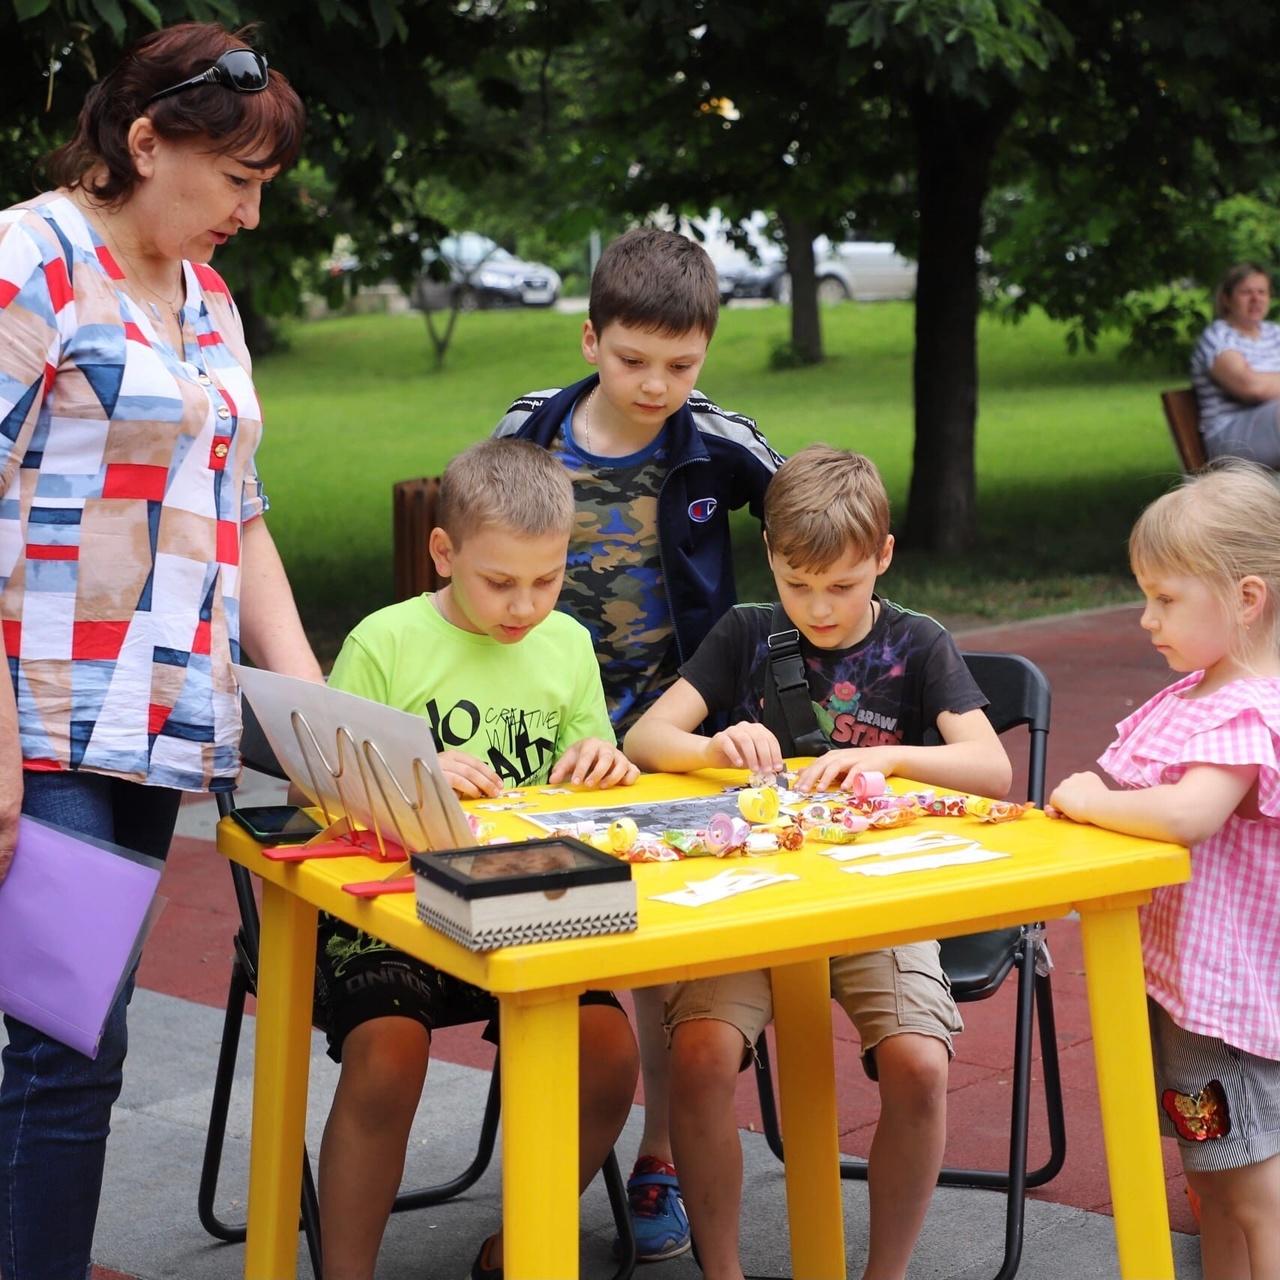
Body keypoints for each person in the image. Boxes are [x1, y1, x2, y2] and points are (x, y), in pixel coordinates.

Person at [0, 24, 320, 1280]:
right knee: (66, 1042)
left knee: (71, 1037)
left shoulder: (208, 298)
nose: (249, 210)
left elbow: (238, 513)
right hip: (46, 721)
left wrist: (310, 713)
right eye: (234, 179)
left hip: (151, 724)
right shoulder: (29, 262)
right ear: (144, 142)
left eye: (263, 187)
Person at [624, 445, 1012, 1280]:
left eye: (842, 585)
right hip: (754, 901)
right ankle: (723, 1271)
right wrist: (716, 744)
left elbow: (992, 770)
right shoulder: (748, 632)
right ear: (769, 555)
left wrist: (894, 758)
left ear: (883, 555)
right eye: (798, 586)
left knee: (918, 1063)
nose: (820, 608)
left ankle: (884, 1274)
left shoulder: (920, 642)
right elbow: (645, 739)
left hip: (878, 902)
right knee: (697, 1057)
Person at [493, 225, 783, 1261]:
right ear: (588, 338)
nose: (656, 382)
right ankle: (547, 1139)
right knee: (554, 921)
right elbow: (477, 539)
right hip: (552, 732)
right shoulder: (530, 432)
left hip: (670, 731)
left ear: (705, 348)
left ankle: (657, 1151)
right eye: (631, 359)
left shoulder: (719, 439)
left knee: (662, 949)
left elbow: (812, 522)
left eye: (680, 362)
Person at [315, 439, 641, 1280]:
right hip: (390, 909)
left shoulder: (566, 644)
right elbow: (320, 789)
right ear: (443, 553)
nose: (525, 605)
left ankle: (519, 1248)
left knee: (609, 1055)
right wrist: (408, 770)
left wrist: (602, 768)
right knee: (387, 1052)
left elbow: (593, 783)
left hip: (526, 908)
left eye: (547, 579)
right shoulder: (384, 642)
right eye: (500, 582)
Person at [1049, 462, 1280, 1280]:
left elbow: (1189, 815)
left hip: (1224, 997)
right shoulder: (1202, 692)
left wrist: (1086, 798)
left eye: (1166, 598)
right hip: (1191, 983)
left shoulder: (1246, 704)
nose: (1147, 618)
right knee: (1213, 1177)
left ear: (1246, 598)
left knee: (1253, 1185)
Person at [1190, 262, 1280, 467]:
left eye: (1262, 292)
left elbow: (1261, 384)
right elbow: (1251, 387)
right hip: (1230, 436)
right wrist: (1262, 383)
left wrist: (1266, 382)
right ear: (1226, 299)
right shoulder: (1217, 336)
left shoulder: (1275, 333)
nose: (1256, 299)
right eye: (1246, 292)